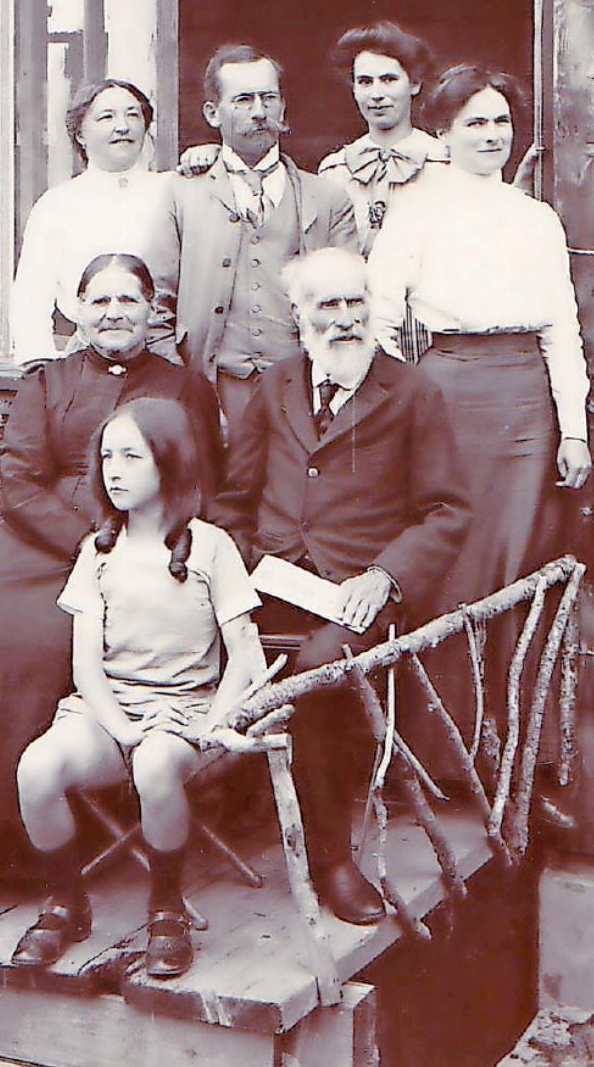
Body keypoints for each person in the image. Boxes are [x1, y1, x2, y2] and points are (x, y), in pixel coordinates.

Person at [0, 254, 222, 882]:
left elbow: (199, 482)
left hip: (137, 541)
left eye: (128, 301)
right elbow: (20, 483)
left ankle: (47, 844)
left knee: (40, 639)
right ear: (77, 310)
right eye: (100, 301)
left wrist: (132, 539)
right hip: (38, 537)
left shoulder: (184, 386)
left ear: (153, 311)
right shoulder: (47, 382)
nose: (114, 314)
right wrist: (86, 536)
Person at [213, 248, 468, 925]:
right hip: (271, 580)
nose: (347, 318)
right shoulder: (276, 385)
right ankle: (187, 828)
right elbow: (235, 499)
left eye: (357, 301)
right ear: (300, 317)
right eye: (328, 305)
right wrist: (235, 568)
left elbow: (447, 512)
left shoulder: (412, 392)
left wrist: (386, 576)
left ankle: (331, 858)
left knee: (319, 671)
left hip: (361, 595)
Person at [367, 64, 591, 740]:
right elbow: (381, 320)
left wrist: (572, 431)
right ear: (443, 131)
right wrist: (400, 407)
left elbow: (561, 327)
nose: (492, 135)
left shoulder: (536, 219)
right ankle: (442, 749)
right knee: (454, 561)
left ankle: (515, 746)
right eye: (475, 123)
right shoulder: (415, 213)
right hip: (449, 393)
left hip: (526, 405)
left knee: (519, 560)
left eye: (501, 121)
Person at [11, 397, 265, 974]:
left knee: (154, 764)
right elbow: (85, 667)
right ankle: (65, 904)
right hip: (108, 712)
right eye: (106, 456)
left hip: (188, 715)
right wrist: (121, 728)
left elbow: (245, 656)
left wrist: (212, 725)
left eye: (132, 455)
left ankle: (166, 909)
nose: (114, 470)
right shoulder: (98, 553)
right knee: (37, 767)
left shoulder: (211, 547)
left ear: (170, 462)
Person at [148, 44, 358, 424]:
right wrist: (183, 389)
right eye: (243, 100)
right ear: (213, 113)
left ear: (283, 108)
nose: (259, 112)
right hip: (212, 390)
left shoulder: (328, 199)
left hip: (304, 393)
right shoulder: (181, 194)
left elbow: (351, 306)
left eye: (269, 98)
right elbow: (154, 304)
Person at [10, 79, 172, 367]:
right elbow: (32, 295)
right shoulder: (57, 204)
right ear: (80, 135)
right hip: (86, 361)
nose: (123, 126)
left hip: (163, 356)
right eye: (107, 117)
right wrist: (39, 365)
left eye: (133, 115)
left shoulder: (173, 191)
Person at [317, 21, 447, 260]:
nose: (376, 94)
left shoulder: (444, 163)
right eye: (365, 82)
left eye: (389, 80)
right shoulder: (335, 170)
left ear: (414, 84)